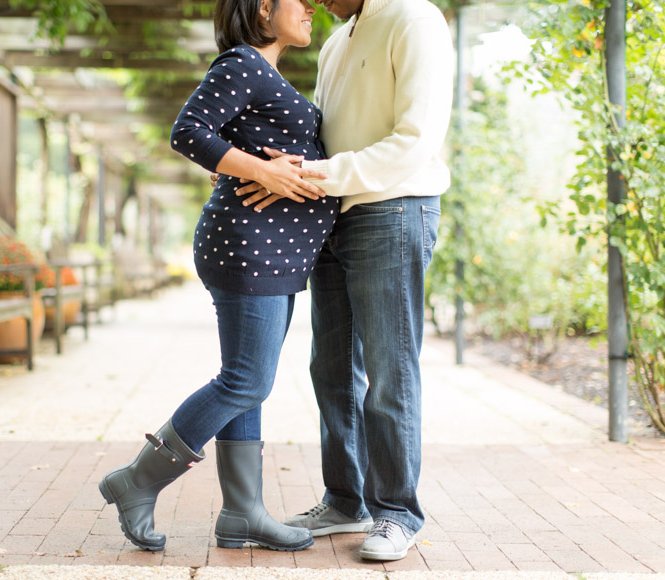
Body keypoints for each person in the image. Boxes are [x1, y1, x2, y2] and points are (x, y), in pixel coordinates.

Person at [98, 0, 338, 553]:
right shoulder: (243, 64)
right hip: (250, 247)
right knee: (247, 381)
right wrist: (264, 171)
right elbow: (189, 131)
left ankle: (242, 513)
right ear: (263, 7)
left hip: (272, 252)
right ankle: (136, 481)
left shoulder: (264, 72)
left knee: (245, 382)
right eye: (297, 1)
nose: (310, 8)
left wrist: (261, 167)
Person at [235, 0, 454, 562]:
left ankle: (397, 512)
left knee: (389, 368)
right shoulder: (336, 41)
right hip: (332, 213)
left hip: (394, 208)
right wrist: (265, 165)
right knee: (331, 368)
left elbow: (416, 139)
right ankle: (345, 499)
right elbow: (325, 139)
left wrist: (317, 174)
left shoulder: (415, 19)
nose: (312, 2)